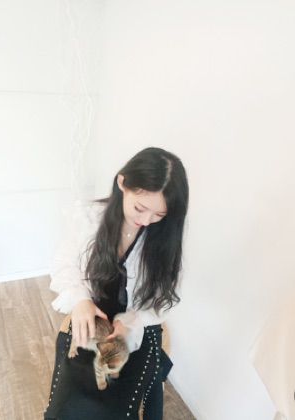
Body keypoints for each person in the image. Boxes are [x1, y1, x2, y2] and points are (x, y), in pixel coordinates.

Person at [43, 147, 189, 420]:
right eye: (140, 208)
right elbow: (63, 264)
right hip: (91, 324)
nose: (146, 221)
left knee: (114, 412)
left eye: (159, 214)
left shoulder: (164, 239)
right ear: (122, 183)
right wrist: (81, 300)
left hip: (136, 329)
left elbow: (164, 299)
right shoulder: (88, 219)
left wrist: (130, 323)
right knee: (64, 412)